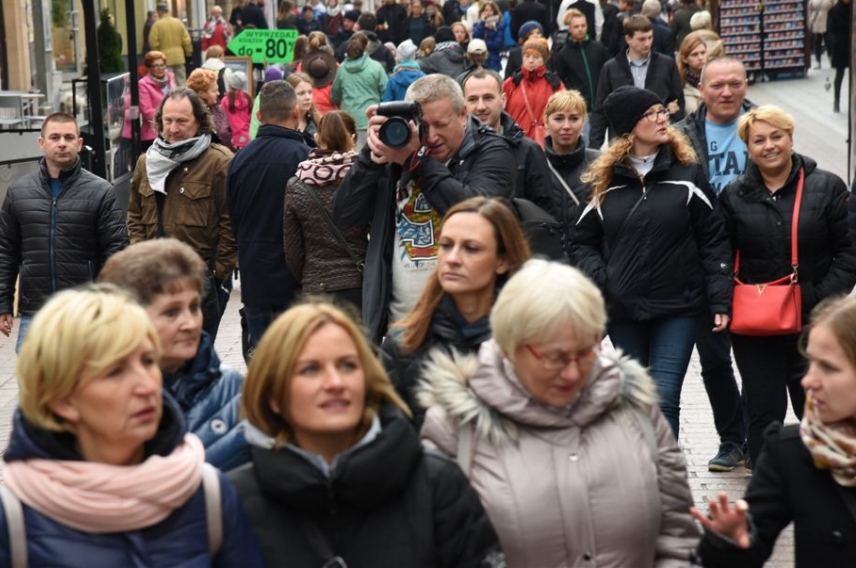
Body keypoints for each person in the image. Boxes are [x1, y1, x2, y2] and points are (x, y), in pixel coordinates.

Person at [420, 259, 702, 567]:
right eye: (555, 357)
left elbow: (677, 539)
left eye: (585, 353)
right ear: (510, 346)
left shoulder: (637, 410)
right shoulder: (455, 428)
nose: (572, 373)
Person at [0, 287, 265, 567]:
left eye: (148, 361)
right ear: (63, 399)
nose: (146, 385)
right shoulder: (6, 521)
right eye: (115, 372)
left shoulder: (208, 494)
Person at [229, 301, 504, 567]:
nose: (335, 383)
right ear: (273, 395)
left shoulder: (438, 483)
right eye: (310, 369)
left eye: (348, 365)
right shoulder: (233, 500)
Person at [571, 86, 732, 439]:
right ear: (630, 126)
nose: (663, 119)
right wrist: (604, 279)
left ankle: (665, 473)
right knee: (637, 399)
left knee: (663, 397)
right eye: (652, 114)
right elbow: (581, 241)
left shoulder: (688, 175)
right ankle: (642, 466)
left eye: (662, 111)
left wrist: (720, 299)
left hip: (679, 306)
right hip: (624, 309)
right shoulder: (603, 183)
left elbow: (714, 239)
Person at [718, 105, 856, 467]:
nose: (769, 146)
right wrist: (723, 303)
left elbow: (848, 253)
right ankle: (766, 484)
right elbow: (721, 256)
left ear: (791, 138)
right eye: (759, 140)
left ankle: (829, 480)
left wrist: (817, 299)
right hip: (756, 325)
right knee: (763, 410)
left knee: (817, 406)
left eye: (776, 136)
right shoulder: (733, 195)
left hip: (815, 322)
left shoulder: (826, 187)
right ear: (748, 148)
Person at [333, 74, 516, 340]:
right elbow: (345, 215)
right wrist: (371, 157)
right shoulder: (397, 153)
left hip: (469, 331)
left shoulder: (493, 151)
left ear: (463, 115)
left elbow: (477, 216)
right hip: (400, 327)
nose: (430, 136)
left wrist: (416, 160)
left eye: (441, 124)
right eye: (424, 125)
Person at [692, 295, 856, 567]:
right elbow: (750, 545)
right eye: (810, 362)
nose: (808, 380)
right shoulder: (792, 452)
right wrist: (726, 542)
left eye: (828, 368)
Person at [98, 239, 248, 470]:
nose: (190, 323)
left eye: (194, 307)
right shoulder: (98, 398)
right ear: (128, 316)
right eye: (171, 312)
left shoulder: (232, 388)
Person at [382, 197, 529, 426]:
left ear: (502, 260)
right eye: (446, 245)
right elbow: (391, 436)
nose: (452, 259)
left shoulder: (533, 340)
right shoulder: (403, 343)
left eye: (471, 248)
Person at [0, 113, 127, 353]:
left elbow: (116, 252)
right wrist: (1, 303)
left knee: (86, 374)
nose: (62, 143)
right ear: (42, 143)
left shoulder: (101, 192)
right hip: (36, 310)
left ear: (79, 143)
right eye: (54, 137)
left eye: (68, 137)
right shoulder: (19, 192)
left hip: (84, 311)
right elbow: (5, 251)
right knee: (35, 375)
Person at [676, 55, 754, 472]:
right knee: (714, 360)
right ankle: (731, 439)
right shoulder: (680, 136)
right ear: (700, 89)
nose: (726, 92)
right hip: (703, 262)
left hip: (758, 258)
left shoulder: (764, 125)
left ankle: (758, 437)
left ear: (746, 85)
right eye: (717, 85)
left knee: (758, 359)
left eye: (734, 84)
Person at [128, 88, 237, 340]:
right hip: (154, 279)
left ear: (199, 122)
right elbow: (134, 215)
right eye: (168, 120)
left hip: (202, 280)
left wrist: (218, 272)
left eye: (182, 121)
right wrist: (140, 256)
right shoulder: (147, 161)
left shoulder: (219, 162)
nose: (173, 129)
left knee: (197, 353)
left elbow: (231, 222)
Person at [228, 80, 311, 344]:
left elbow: (233, 219)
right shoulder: (306, 158)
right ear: (295, 112)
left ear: (260, 115)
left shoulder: (239, 161)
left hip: (255, 279)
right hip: (296, 280)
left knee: (266, 360)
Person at [284, 111, 366, 311]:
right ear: (352, 137)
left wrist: (309, 275)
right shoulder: (364, 179)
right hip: (358, 282)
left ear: (317, 138)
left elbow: (293, 252)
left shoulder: (297, 185)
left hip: (316, 286)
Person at [462, 69, 554, 215]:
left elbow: (544, 212)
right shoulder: (454, 151)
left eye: (488, 98)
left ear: (503, 100)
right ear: (463, 105)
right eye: (473, 99)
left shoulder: (528, 150)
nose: (481, 107)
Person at [589, 15, 685, 148]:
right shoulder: (611, 68)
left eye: (650, 38)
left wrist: (673, 132)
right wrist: (594, 146)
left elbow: (677, 101)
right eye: (641, 39)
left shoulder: (666, 64)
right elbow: (600, 110)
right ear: (628, 39)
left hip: (658, 139)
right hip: (623, 140)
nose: (647, 43)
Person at [542, 90, 599, 251]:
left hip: (589, 256)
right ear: (546, 122)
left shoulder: (600, 164)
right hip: (547, 256)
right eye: (558, 118)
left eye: (574, 118)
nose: (566, 126)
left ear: (584, 121)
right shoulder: (535, 163)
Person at [550, 9, 608, 139]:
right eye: (576, 26)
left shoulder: (598, 48)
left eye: (583, 25)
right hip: (580, 107)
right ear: (569, 29)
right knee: (585, 142)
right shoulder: (563, 54)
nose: (580, 29)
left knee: (600, 142)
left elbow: (606, 73)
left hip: (601, 105)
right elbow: (560, 80)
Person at [502, 39, 564, 146]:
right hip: (515, 143)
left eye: (536, 57)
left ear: (544, 59)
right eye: (527, 56)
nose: (530, 61)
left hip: (544, 144)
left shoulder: (554, 84)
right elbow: (500, 112)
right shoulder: (511, 83)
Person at [331, 32, 388, 139]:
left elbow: (335, 97)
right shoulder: (376, 67)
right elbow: (386, 93)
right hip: (370, 119)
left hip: (347, 121)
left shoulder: (342, 69)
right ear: (367, 46)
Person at [130, 51, 176, 153]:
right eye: (155, 66)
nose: (160, 68)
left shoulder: (171, 78)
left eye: (162, 65)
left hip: (173, 131)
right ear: (148, 68)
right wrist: (170, 116)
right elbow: (147, 112)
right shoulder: (143, 84)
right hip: (153, 135)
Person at [186, 66, 232, 151]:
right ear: (201, 93)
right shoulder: (189, 114)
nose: (218, 93)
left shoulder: (220, 110)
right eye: (214, 91)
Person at [149, 2, 192, 86]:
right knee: (181, 81)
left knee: (169, 82)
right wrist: (188, 53)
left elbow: (153, 42)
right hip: (179, 57)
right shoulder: (178, 22)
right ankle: (183, 94)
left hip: (165, 57)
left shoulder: (157, 25)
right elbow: (186, 40)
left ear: (160, 11)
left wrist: (157, 56)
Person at [827, 0, 851, 113]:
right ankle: (836, 100)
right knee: (840, 74)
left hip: (852, 44)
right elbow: (830, 30)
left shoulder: (853, 8)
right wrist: (834, 42)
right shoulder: (834, 11)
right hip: (841, 46)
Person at [284, 72, 321, 147]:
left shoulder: (318, 122)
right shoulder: (281, 123)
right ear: (289, 95)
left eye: (310, 92)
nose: (308, 97)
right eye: (301, 93)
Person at [808, 0, 837, 69]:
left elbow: (836, 7)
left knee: (829, 42)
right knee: (817, 43)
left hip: (828, 21)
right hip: (817, 22)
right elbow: (810, 9)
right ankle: (818, 61)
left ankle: (831, 59)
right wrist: (810, 20)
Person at [677, 31, 708, 116]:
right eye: (695, 54)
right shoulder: (679, 83)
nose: (700, 58)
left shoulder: (715, 77)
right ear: (684, 59)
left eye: (703, 53)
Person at [221, 73, 253, 150]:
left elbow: (223, 122)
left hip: (232, 141)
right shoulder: (248, 98)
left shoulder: (225, 100)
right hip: (249, 139)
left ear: (230, 84)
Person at [471, 2, 504, 72]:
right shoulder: (478, 25)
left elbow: (497, 44)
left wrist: (483, 43)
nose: (488, 12)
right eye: (486, 10)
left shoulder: (499, 26)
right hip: (480, 60)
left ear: (494, 11)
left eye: (491, 10)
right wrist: (482, 24)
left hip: (493, 60)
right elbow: (475, 38)